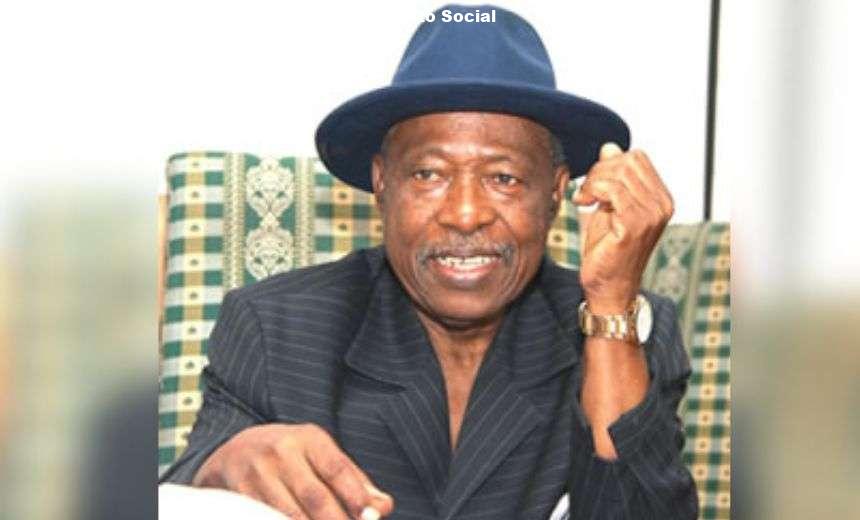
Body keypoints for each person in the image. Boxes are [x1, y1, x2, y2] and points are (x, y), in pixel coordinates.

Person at [160, 4, 698, 519]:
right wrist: (226, 465)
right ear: (382, 183)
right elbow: (184, 489)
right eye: (428, 175)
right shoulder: (275, 326)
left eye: (504, 178)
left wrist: (610, 309)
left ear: (556, 192)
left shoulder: (627, 330)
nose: (464, 215)